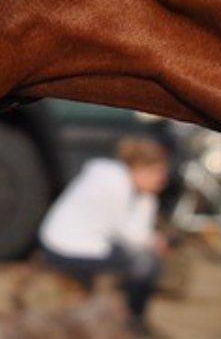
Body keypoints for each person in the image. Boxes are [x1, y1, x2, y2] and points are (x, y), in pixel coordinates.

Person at [38, 137, 171, 334]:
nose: (162, 180)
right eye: (157, 172)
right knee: (144, 264)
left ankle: (120, 317)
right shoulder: (113, 182)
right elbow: (130, 236)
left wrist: (148, 202)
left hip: (71, 243)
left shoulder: (130, 187)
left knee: (136, 259)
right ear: (139, 167)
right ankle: (134, 321)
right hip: (68, 248)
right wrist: (155, 241)